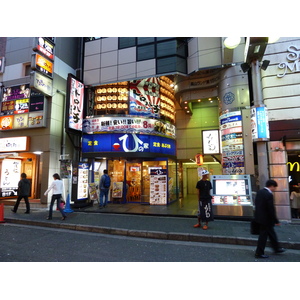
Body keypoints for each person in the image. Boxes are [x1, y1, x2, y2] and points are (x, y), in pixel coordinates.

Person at [254, 179, 285, 258]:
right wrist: (276, 220)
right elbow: (271, 209)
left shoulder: (260, 192)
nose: (275, 189)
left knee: (271, 234)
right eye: (274, 187)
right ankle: (259, 253)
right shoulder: (269, 194)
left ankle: (276, 248)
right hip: (266, 219)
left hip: (259, 217)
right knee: (263, 236)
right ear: (271, 186)